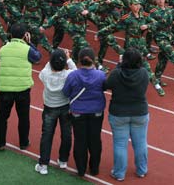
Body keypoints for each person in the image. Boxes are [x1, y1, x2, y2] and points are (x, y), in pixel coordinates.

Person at [104, 50, 150, 181]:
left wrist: (119, 65)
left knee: (120, 144)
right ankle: (142, 170)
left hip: (119, 113)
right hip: (140, 112)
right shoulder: (143, 73)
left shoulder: (116, 73)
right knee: (140, 142)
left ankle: (119, 173)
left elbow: (106, 85)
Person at [0, 23, 42, 151]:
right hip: (22, 89)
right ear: (24, 35)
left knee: (2, 117)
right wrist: (30, 43)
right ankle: (23, 143)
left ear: (10, 34)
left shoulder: (3, 49)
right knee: (23, 117)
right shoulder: (27, 49)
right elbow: (37, 57)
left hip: (5, 88)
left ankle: (0, 143)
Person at [62, 47, 106, 177]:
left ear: (79, 60)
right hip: (96, 112)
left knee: (80, 140)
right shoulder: (101, 75)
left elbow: (65, 92)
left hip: (78, 113)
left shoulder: (73, 75)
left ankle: (81, 169)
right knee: (95, 139)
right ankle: (94, 169)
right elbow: (104, 87)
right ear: (93, 60)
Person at [35, 48, 77, 175]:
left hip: (49, 108)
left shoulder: (45, 73)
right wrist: (68, 58)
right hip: (65, 107)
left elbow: (48, 66)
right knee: (66, 134)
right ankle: (63, 160)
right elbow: (75, 70)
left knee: (47, 135)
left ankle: (43, 165)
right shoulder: (68, 75)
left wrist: (54, 57)